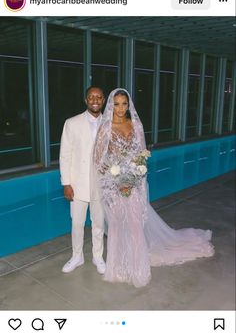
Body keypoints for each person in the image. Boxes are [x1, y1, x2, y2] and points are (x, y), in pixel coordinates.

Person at [93, 88, 214, 287]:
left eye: (124, 104)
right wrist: (116, 178)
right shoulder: (105, 128)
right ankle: (119, 267)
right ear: (111, 105)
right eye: (117, 104)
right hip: (113, 186)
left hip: (134, 184)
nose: (121, 108)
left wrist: (132, 178)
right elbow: (98, 159)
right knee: (117, 225)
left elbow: (141, 156)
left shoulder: (135, 125)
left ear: (129, 105)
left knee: (134, 224)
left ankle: (137, 267)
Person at [60, 86, 106, 274]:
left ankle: (98, 256)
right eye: (91, 97)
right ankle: (77, 256)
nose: (95, 100)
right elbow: (65, 154)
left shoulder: (111, 123)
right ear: (86, 100)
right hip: (77, 184)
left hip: (101, 184)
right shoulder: (72, 123)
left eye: (99, 97)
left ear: (103, 100)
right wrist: (66, 183)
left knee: (98, 223)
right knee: (77, 223)